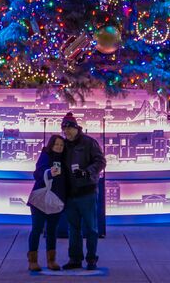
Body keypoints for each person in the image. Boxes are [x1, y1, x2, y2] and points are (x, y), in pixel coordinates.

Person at [59, 112, 106, 271]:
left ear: (76, 128)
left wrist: (87, 172)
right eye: (64, 130)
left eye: (69, 129)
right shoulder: (63, 146)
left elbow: (101, 161)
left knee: (91, 228)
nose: (66, 133)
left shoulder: (89, 143)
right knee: (73, 229)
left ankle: (91, 259)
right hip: (70, 195)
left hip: (87, 193)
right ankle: (75, 259)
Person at [27, 134, 68, 272]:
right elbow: (37, 173)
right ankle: (32, 260)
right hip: (41, 200)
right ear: (51, 144)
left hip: (56, 200)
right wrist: (49, 173)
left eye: (61, 145)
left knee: (52, 231)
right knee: (37, 229)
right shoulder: (45, 155)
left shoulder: (64, 159)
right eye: (57, 144)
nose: (59, 147)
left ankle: (51, 260)